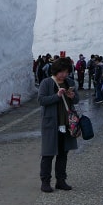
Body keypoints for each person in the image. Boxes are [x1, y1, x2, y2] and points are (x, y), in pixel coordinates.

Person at [37, 58, 80, 193]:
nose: (64, 75)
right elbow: (41, 100)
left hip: (67, 124)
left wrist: (72, 96)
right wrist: (57, 95)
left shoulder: (70, 82)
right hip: (51, 124)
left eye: (66, 72)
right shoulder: (47, 83)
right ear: (56, 71)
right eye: (61, 72)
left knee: (63, 153)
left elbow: (77, 99)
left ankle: (61, 181)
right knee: (48, 154)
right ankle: (45, 182)